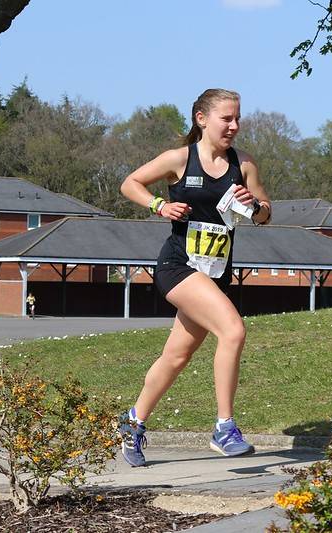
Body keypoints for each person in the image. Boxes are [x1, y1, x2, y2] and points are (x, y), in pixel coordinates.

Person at [118, 88, 272, 467]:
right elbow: (130, 183)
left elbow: (267, 214)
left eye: (237, 119)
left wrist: (256, 207)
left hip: (215, 272)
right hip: (178, 267)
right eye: (226, 119)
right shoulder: (179, 160)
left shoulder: (245, 164)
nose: (234, 126)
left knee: (177, 355)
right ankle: (224, 427)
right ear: (202, 119)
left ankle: (132, 422)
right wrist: (160, 205)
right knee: (233, 331)